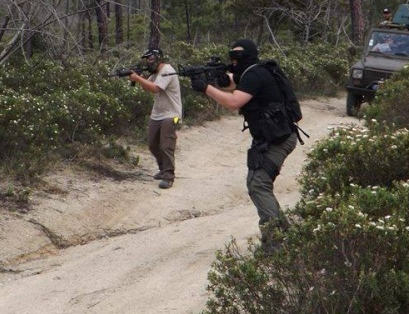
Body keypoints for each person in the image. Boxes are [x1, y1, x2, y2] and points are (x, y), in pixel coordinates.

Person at [190, 39, 298, 250]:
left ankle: (275, 242)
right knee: (256, 183)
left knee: (259, 184)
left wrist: (205, 88)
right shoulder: (251, 72)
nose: (234, 59)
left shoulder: (255, 74)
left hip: (279, 138)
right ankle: (283, 232)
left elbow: (233, 102)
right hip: (270, 137)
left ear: (248, 55)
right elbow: (232, 83)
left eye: (238, 56)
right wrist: (216, 79)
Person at [128, 48, 182, 189]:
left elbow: (155, 88)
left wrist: (138, 78)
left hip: (172, 115)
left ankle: (169, 176)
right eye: (146, 59)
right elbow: (148, 86)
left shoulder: (167, 70)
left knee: (166, 145)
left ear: (158, 58)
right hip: (157, 114)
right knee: (152, 144)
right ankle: (163, 169)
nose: (148, 62)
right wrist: (138, 77)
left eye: (150, 58)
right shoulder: (156, 72)